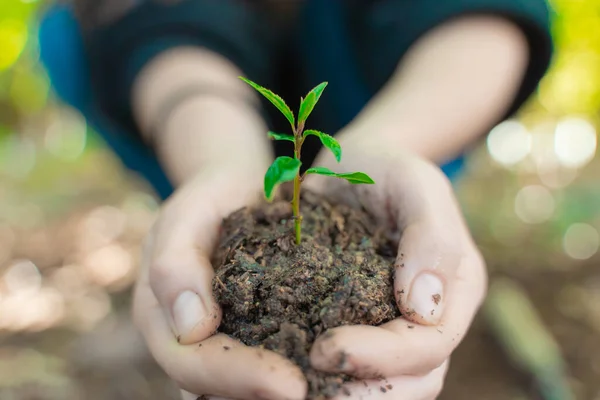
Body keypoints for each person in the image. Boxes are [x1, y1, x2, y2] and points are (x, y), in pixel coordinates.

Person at [39, 1, 552, 399]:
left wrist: (391, 145)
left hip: (385, 68)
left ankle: (415, 228)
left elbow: (491, 12)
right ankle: (180, 258)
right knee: (61, 34)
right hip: (205, 87)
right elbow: (149, 16)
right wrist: (216, 156)